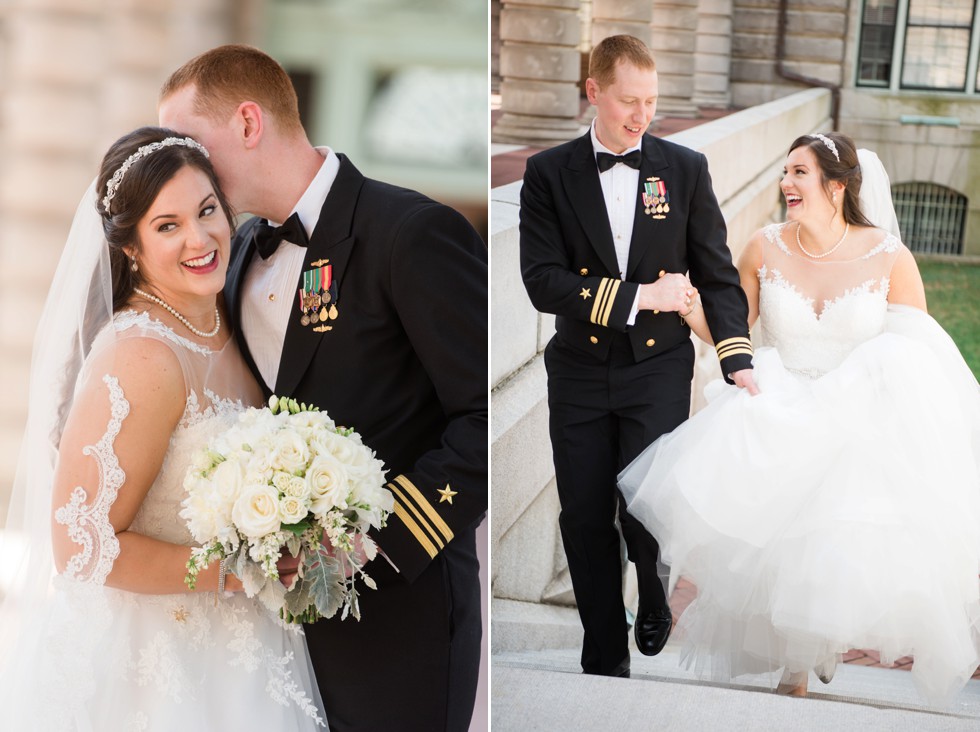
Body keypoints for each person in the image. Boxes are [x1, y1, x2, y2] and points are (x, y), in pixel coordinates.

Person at [158, 45, 488, 731]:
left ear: (249, 122)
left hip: (399, 618)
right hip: (269, 635)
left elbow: (481, 417)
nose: (176, 167)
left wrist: (373, 547)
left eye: (187, 144)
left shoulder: (412, 233)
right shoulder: (242, 250)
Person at [620, 131, 980, 706]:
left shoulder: (889, 256)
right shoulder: (764, 248)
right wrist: (689, 306)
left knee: (837, 529)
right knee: (775, 525)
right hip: (782, 398)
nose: (786, 183)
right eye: (785, 172)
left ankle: (818, 647)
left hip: (854, 410)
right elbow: (731, 332)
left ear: (835, 187)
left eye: (799, 173)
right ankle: (798, 666)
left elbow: (920, 350)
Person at [0, 127, 325, 729]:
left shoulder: (232, 318)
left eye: (206, 212)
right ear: (130, 248)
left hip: (242, 650)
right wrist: (234, 570)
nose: (199, 239)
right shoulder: (143, 354)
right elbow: (82, 542)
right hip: (151, 665)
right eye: (167, 225)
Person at [519, 34, 756, 679]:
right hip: (578, 366)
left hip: (658, 366)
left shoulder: (684, 169)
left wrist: (736, 356)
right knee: (585, 510)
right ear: (594, 91)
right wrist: (640, 296)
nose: (641, 115)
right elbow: (541, 281)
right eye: (629, 101)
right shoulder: (548, 173)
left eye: (651, 101)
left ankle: (653, 591)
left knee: (646, 503)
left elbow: (718, 272)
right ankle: (603, 652)